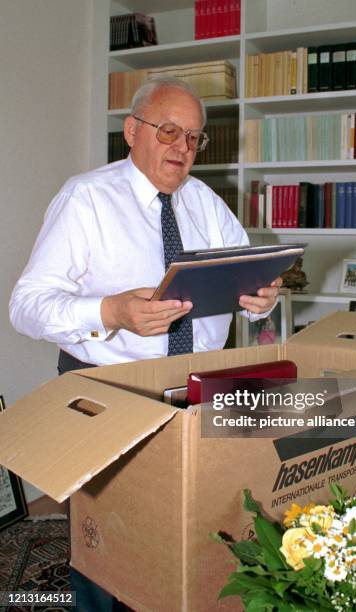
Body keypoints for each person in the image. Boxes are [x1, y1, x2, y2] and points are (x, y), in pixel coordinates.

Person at [9, 76, 281, 610]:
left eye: (194, 138)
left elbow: (252, 281)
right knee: (107, 541)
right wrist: (110, 311)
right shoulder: (85, 198)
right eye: (169, 131)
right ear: (132, 131)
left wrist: (262, 297)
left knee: (190, 526)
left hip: (198, 390)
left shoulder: (205, 202)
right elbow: (25, 306)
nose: (182, 148)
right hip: (111, 392)